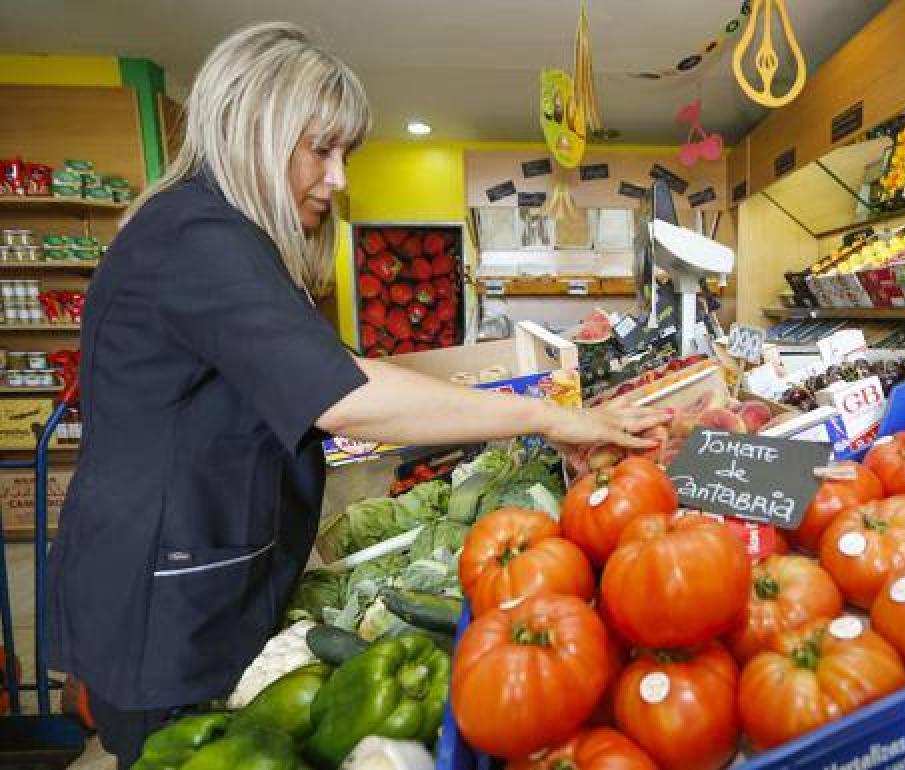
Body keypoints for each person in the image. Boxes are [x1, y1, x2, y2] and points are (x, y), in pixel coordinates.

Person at [46, 22, 665, 768]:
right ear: (256, 130)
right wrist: (546, 415)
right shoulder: (197, 238)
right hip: (162, 601)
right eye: (321, 148)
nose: (337, 178)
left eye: (346, 154)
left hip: (185, 575)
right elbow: (344, 394)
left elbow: (330, 370)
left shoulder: (213, 235)